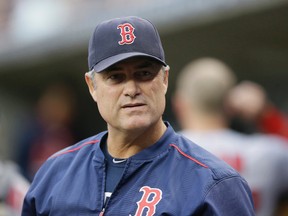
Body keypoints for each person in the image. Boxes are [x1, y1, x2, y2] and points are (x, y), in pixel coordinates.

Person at [21, 16, 255, 215]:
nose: (131, 90)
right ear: (92, 86)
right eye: (116, 77)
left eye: (144, 74)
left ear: (164, 79)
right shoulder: (56, 172)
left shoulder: (213, 184)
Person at [172, 57, 288, 216]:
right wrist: (265, 113)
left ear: (179, 104)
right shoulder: (267, 151)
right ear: (231, 105)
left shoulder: (166, 154)